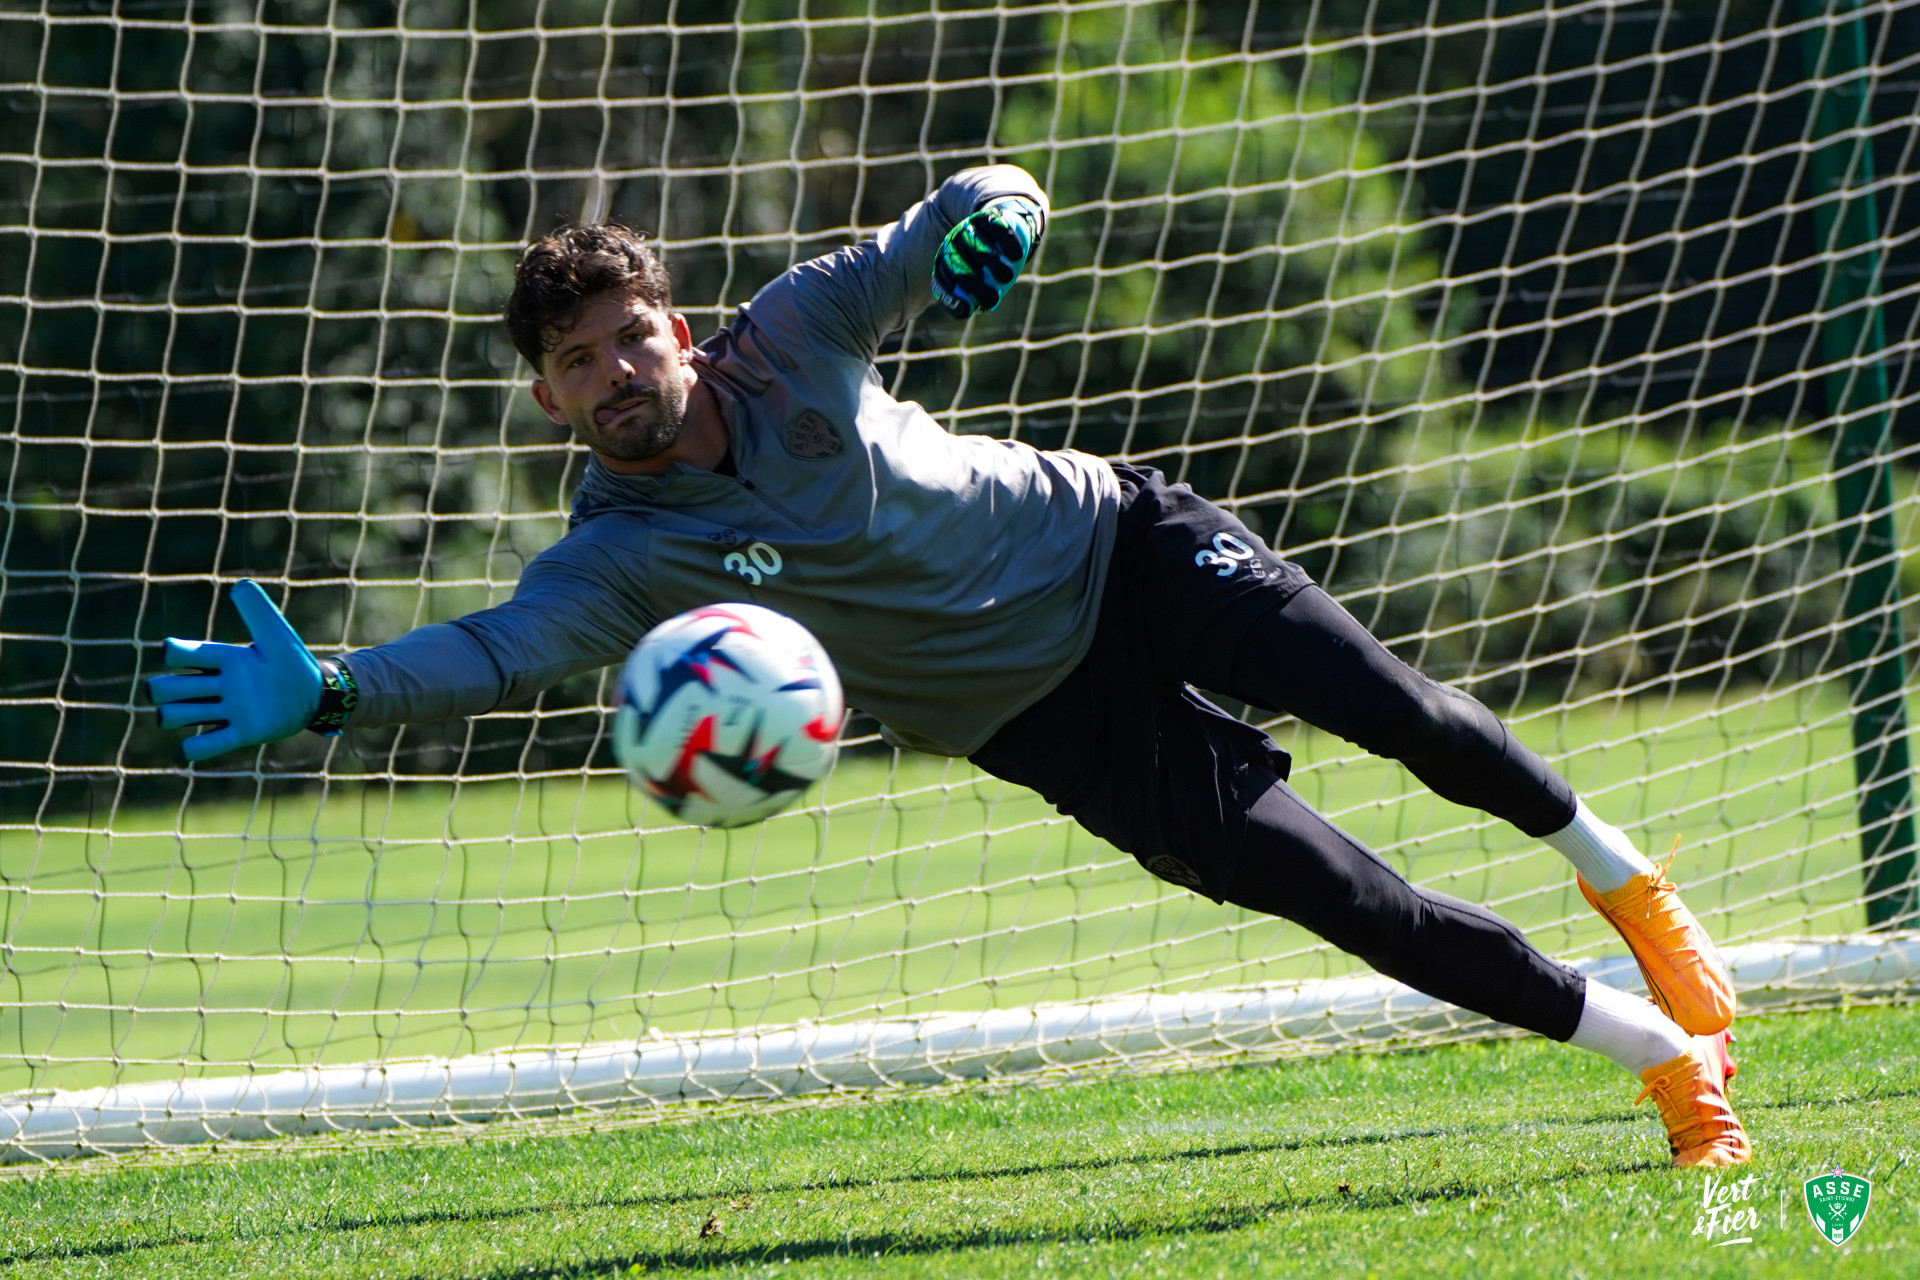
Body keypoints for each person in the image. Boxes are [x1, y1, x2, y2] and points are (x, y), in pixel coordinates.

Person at [148, 165, 1749, 1168]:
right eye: (578, 362)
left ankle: (1627, 883)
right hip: (1038, 721)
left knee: (1399, 711)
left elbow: (976, 199)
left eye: (631, 335)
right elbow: (496, 649)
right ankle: (1671, 1065)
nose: (616, 369)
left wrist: (1001, 223)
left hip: (1117, 546)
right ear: (551, 402)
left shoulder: (799, 331)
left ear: (680, 330)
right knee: (1341, 897)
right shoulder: (614, 557)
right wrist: (338, 690)